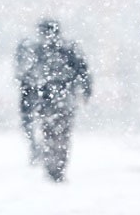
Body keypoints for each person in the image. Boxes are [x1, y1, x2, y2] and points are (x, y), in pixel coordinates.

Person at [15, 18, 92, 182]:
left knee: (50, 133)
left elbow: (26, 77)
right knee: (61, 135)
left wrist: (29, 97)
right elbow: (83, 71)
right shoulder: (68, 48)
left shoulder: (37, 50)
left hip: (47, 101)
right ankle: (57, 166)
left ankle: (53, 166)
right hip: (64, 100)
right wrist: (85, 91)